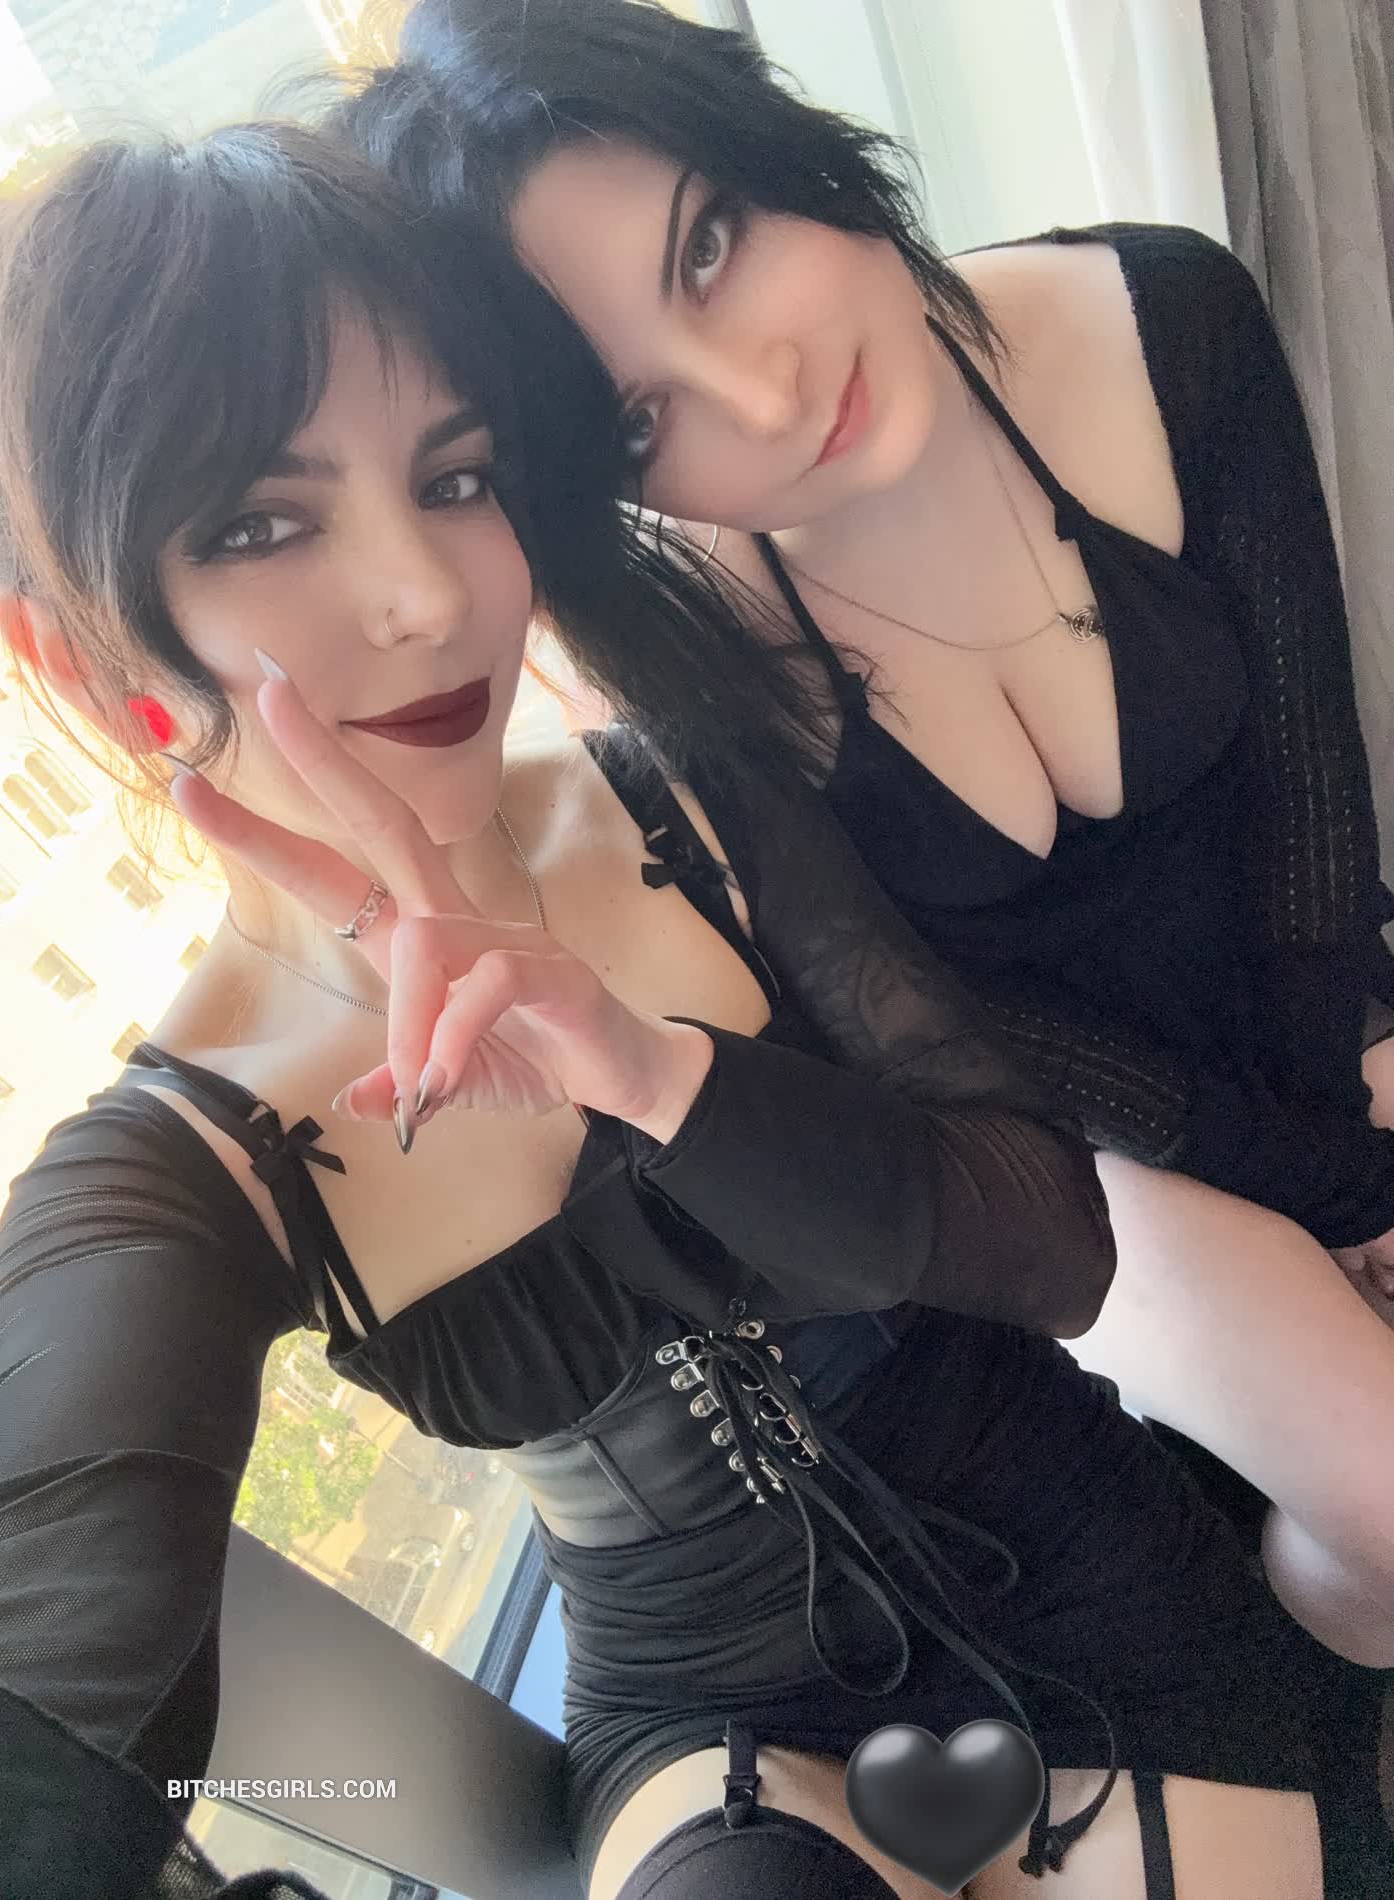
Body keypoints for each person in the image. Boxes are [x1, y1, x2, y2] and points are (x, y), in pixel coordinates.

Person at [0, 125, 1329, 1900]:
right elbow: (36, 1698)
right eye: (258, 523)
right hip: (701, 1720)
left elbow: (1050, 1239)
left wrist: (645, 1066)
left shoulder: (691, 797)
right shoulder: (179, 1162)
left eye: (455, 477)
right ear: (80, 662)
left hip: (1096, 1567)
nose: (430, 595)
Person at [335, 0, 1394, 1670]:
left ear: (775, 145)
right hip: (1094, 1155)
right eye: (636, 425)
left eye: (709, 247)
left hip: (1317, 1014)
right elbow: (972, 1029)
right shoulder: (696, 644)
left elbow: (1310, 825)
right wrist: (1333, 1193)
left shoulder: (1159, 315)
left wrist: (1350, 1134)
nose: (756, 394)